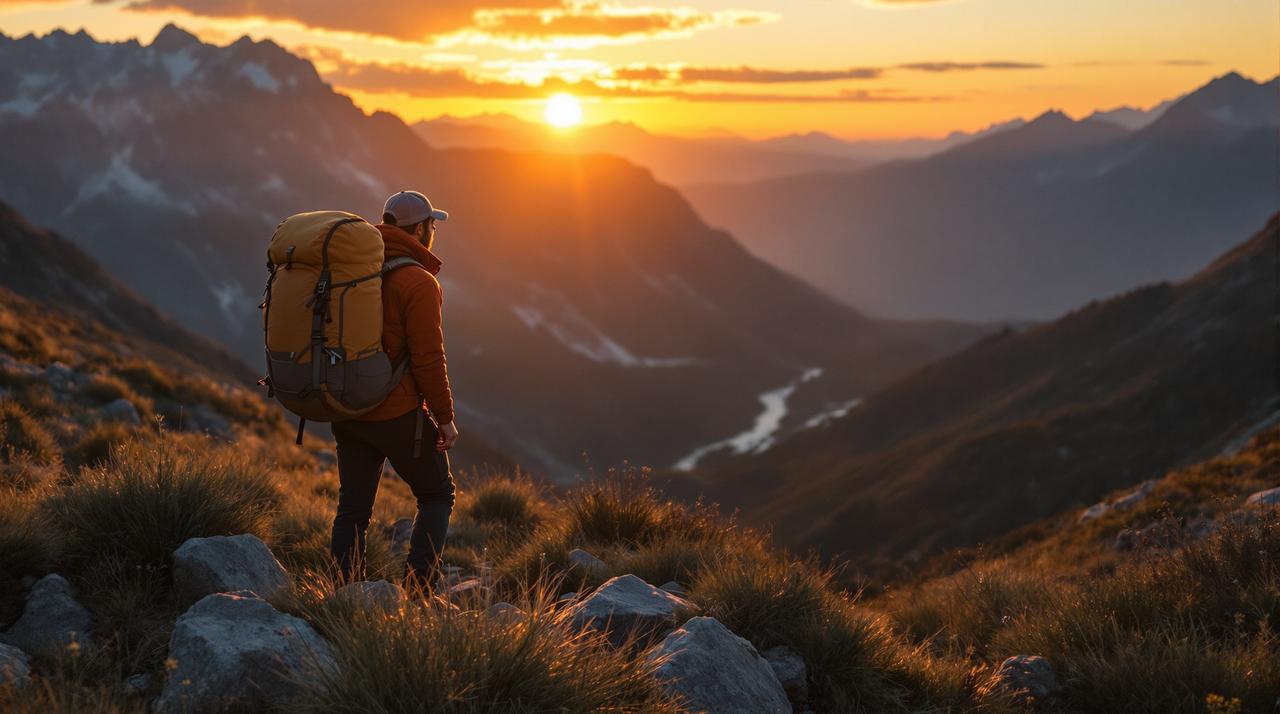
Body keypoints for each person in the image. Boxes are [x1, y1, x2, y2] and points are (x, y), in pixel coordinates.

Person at [329, 190, 460, 589]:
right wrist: (445, 418)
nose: (433, 231)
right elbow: (427, 359)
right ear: (420, 229)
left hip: (347, 408)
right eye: (432, 225)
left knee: (353, 509)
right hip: (395, 412)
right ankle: (419, 591)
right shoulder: (417, 281)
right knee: (437, 494)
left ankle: (345, 596)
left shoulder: (353, 268)